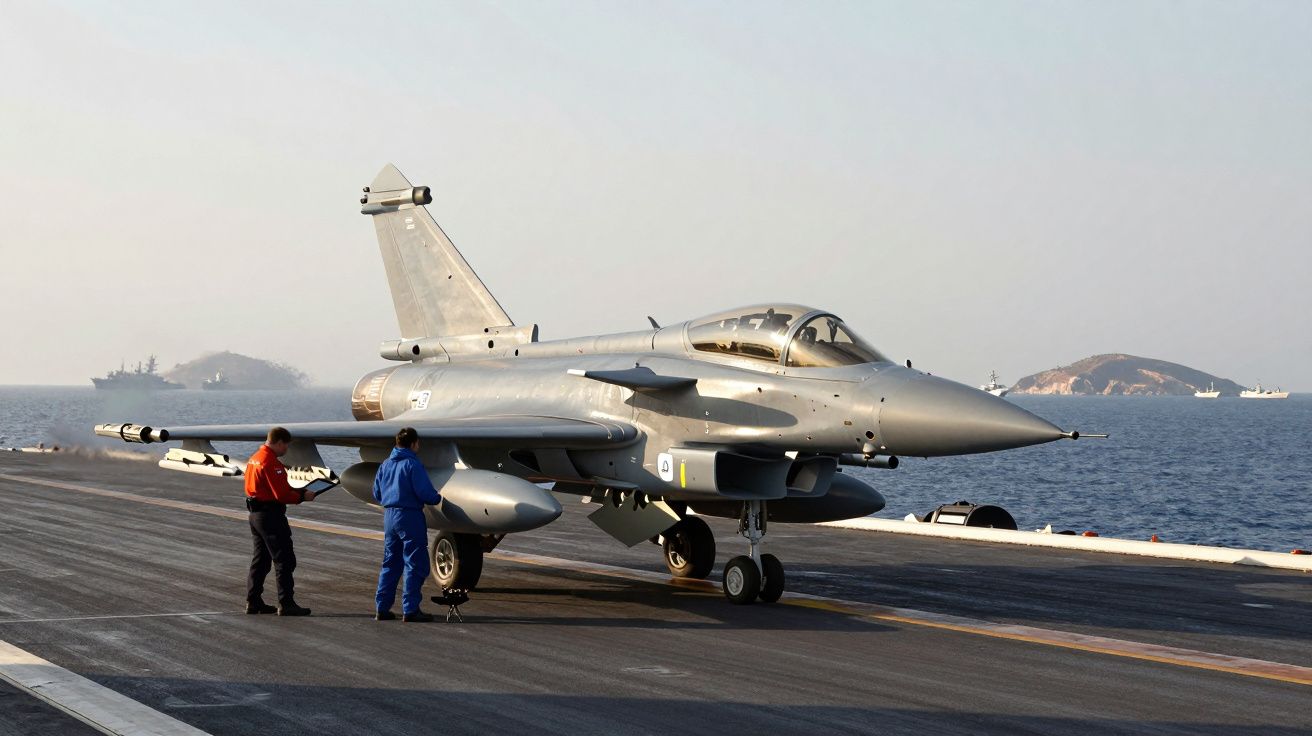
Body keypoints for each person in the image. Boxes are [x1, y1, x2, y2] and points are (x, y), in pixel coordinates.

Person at [244, 426, 316, 616]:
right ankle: (286, 603)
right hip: (270, 516)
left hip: (255, 515)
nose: (286, 450)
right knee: (284, 559)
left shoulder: (255, 459)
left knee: (261, 560)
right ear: (279, 443)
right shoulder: (271, 462)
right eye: (286, 446)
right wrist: (302, 496)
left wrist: (298, 492)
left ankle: (253, 601)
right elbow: (281, 494)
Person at [373, 427, 441, 622]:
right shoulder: (412, 464)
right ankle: (410, 609)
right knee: (414, 563)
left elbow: (377, 493)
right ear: (413, 444)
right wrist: (438, 498)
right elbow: (425, 493)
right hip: (409, 517)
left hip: (389, 517)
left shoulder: (385, 464)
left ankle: (382, 608)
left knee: (390, 563)